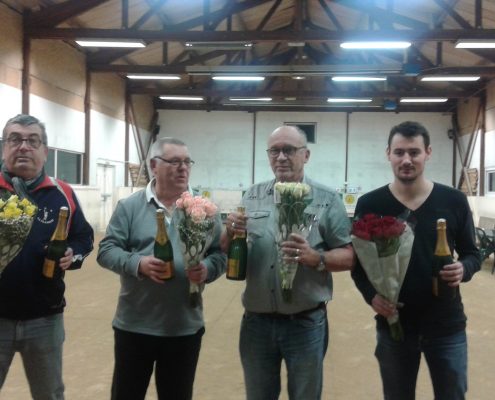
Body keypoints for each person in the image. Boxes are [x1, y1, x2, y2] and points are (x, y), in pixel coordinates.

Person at [222, 125, 354, 400]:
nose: (281, 157)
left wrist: (317, 258)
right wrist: (229, 231)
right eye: (274, 151)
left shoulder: (328, 200)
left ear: (305, 155)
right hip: (256, 323)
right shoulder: (252, 195)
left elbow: (350, 255)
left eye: (289, 150)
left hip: (305, 323)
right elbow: (227, 247)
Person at [351, 121, 481, 400]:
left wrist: (464, 268)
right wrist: (371, 295)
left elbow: (473, 253)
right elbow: (359, 265)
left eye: (414, 152)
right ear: (388, 154)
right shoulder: (370, 204)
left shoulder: (454, 200)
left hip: (446, 327)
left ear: (428, 153)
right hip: (395, 326)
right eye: (399, 152)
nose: (406, 160)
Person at [97, 137, 226, 400]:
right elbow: (106, 250)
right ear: (154, 165)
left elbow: (219, 254)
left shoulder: (204, 210)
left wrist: (208, 269)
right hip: (134, 326)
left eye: (187, 162)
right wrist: (137, 264)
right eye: (174, 161)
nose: (183, 168)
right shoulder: (130, 207)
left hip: (184, 327)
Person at [0, 114, 94, 399]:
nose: (23, 147)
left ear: (45, 151)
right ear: (4, 147)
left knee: (49, 394)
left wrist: (72, 254)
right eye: (15, 139)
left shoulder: (61, 193)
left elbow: (84, 238)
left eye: (32, 141)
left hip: (44, 318)